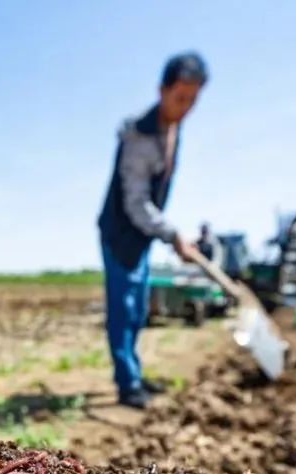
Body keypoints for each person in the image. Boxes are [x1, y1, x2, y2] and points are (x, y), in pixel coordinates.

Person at [97, 52, 208, 409]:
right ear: (162, 90)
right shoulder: (140, 136)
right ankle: (128, 385)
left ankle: (135, 374)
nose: (185, 107)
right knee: (124, 307)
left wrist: (165, 233)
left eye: (193, 100)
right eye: (180, 98)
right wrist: (173, 235)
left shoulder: (171, 130)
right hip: (120, 232)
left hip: (142, 234)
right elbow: (135, 203)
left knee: (139, 307)